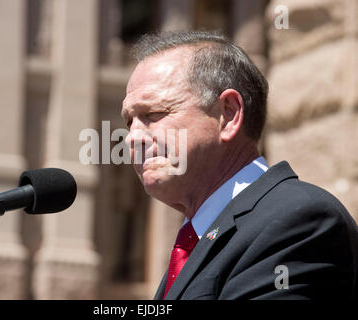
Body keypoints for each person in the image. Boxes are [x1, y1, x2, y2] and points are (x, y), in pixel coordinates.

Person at [121, 30, 358, 300]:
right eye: (129, 122)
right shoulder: (193, 242)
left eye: (153, 113)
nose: (133, 137)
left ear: (229, 114)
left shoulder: (299, 220)